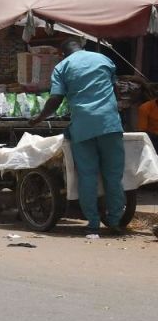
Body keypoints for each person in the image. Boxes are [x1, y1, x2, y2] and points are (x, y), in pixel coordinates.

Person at [30, 39, 124, 237]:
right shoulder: (103, 59)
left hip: (82, 127)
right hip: (110, 124)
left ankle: (93, 225)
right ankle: (115, 221)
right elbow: (116, 90)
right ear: (82, 46)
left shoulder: (62, 67)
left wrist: (39, 118)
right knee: (114, 176)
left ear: (62, 53)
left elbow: (56, 99)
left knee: (87, 176)